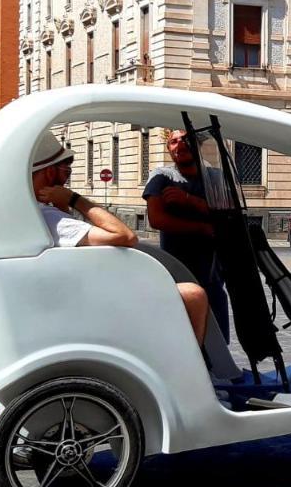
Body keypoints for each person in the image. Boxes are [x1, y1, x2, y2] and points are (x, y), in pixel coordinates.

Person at [31, 133, 208, 344]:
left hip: (88, 289)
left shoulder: (42, 212)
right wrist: (73, 198)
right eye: (66, 166)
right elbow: (124, 235)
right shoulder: (48, 216)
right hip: (98, 296)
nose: (68, 173)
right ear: (50, 172)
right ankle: (188, 367)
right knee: (194, 295)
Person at [143, 129, 230, 340]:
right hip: (178, 269)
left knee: (216, 332)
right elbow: (157, 219)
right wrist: (201, 227)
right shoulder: (162, 176)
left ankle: (216, 370)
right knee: (182, 330)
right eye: (173, 141)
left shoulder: (215, 177)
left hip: (212, 270)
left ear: (198, 145)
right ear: (169, 149)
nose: (179, 145)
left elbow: (226, 214)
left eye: (185, 139)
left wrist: (188, 199)